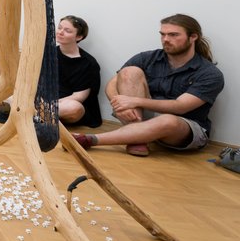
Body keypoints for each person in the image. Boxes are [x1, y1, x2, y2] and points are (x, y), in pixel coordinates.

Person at [76, 14, 224, 157]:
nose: (165, 39)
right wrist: (119, 105)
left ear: (193, 37)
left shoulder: (209, 73)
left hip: (184, 126)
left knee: (168, 120)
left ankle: (89, 140)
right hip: (144, 117)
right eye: (163, 34)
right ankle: (138, 139)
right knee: (129, 72)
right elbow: (113, 84)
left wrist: (134, 101)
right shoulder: (147, 58)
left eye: (173, 35)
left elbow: (181, 106)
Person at [55, 15, 101, 128]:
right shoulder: (48, 53)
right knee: (10, 97)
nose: (60, 32)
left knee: (74, 108)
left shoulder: (88, 63)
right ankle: (39, 114)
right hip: (44, 101)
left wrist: (50, 104)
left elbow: (79, 96)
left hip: (67, 104)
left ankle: (34, 114)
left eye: (67, 31)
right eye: (60, 28)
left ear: (79, 37)